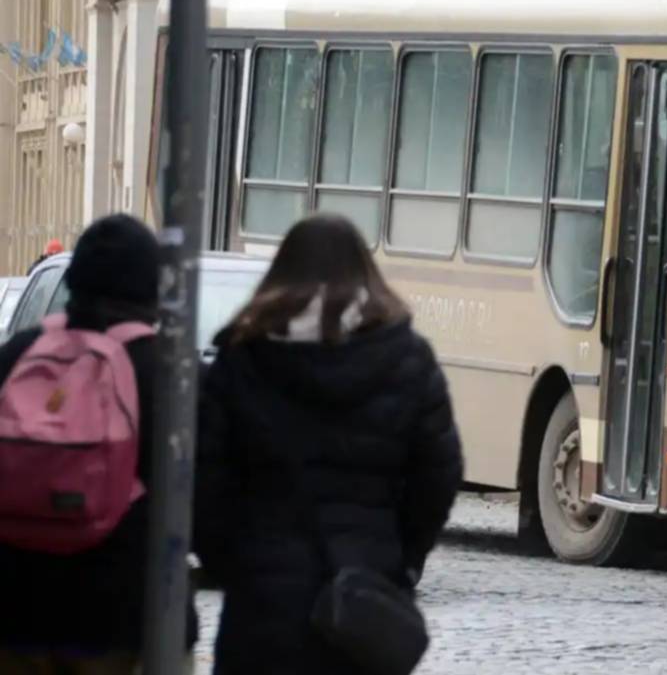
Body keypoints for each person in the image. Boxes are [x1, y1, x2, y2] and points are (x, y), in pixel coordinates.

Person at [195, 213, 462, 675]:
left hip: (262, 609)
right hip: (363, 607)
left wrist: (232, 561)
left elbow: (203, 478)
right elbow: (439, 473)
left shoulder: (244, 359)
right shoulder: (408, 359)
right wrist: (401, 558)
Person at [0, 213, 197, 674]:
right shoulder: (169, 374)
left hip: (13, 609)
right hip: (125, 617)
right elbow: (206, 495)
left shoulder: (17, 355)